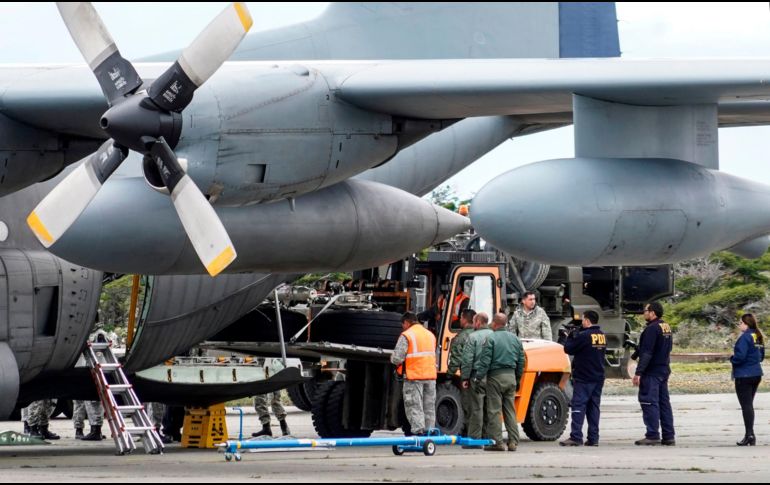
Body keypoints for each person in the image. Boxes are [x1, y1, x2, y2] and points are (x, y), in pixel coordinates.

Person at [475, 313, 525, 452]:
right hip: (511, 377)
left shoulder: (491, 338)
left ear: (495, 323)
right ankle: (513, 441)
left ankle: (497, 443)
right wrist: (517, 378)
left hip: (495, 378)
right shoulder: (515, 339)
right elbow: (521, 361)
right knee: (510, 410)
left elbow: (485, 361)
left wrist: (478, 378)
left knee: (494, 411)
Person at [560, 310, 606, 447]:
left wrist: (568, 336)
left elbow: (568, 349)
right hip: (598, 376)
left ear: (587, 321)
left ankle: (576, 436)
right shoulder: (602, 335)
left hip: (584, 376)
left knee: (578, 405)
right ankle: (593, 438)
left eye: (583, 320)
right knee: (594, 407)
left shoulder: (584, 336)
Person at [633, 301, 675, 446]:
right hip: (664, 369)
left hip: (652, 371)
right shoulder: (666, 327)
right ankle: (668, 436)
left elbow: (647, 352)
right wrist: (633, 355)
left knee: (648, 401)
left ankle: (652, 434)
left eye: (645, 310)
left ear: (652, 313)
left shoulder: (651, 329)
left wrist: (639, 372)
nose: (644, 313)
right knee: (664, 403)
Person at [391, 312, 437, 436]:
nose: (403, 328)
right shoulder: (430, 335)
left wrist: (393, 359)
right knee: (429, 407)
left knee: (414, 405)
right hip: (430, 376)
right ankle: (429, 432)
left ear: (406, 323)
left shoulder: (407, 335)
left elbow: (397, 358)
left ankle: (419, 433)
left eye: (403, 325)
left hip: (414, 376)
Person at [731, 313, 765, 446]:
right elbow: (761, 356)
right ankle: (750, 434)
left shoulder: (744, 338)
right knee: (749, 404)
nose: (739, 325)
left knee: (746, 406)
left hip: (744, 375)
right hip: (756, 373)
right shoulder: (757, 336)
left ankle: (749, 434)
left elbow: (740, 356)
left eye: (740, 323)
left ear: (746, 323)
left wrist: (732, 359)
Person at [460, 312, 493, 446]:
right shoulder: (494, 335)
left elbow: (467, 359)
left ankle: (475, 440)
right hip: (492, 376)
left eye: (474, 322)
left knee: (476, 408)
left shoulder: (472, 337)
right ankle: (488, 437)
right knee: (489, 407)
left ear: (478, 322)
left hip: (476, 376)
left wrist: (465, 377)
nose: (474, 324)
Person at [447, 309, 476, 435]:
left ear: (465, 319)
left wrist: (448, 376)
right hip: (483, 375)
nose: (459, 320)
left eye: (461, 318)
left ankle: (469, 433)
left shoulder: (461, 337)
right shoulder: (481, 334)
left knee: (467, 405)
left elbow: (456, 360)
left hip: (468, 376)